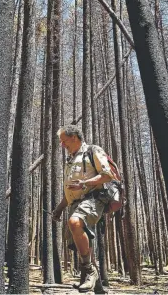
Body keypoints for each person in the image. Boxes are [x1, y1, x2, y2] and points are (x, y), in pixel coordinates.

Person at [52, 125, 114, 292]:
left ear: (74, 137)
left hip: (95, 199)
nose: (62, 145)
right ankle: (99, 288)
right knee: (82, 245)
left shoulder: (93, 151)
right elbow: (71, 192)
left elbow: (108, 175)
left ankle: (88, 270)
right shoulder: (70, 160)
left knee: (74, 222)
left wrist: (85, 183)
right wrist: (59, 209)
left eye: (64, 141)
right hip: (76, 203)